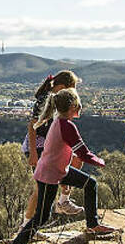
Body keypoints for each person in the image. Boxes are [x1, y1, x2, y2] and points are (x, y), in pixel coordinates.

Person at [7, 88, 117, 244]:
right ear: (74, 106)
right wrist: (101, 162)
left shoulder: (59, 121)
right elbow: (83, 153)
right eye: (79, 105)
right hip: (49, 174)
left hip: (58, 170)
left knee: (91, 184)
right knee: (42, 217)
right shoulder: (66, 125)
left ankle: (92, 224)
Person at [20, 71, 84, 233]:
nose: (74, 92)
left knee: (76, 161)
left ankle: (63, 201)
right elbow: (32, 127)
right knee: (40, 190)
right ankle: (25, 229)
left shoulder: (60, 100)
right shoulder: (46, 100)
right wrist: (33, 153)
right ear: (62, 87)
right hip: (39, 145)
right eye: (72, 88)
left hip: (51, 145)